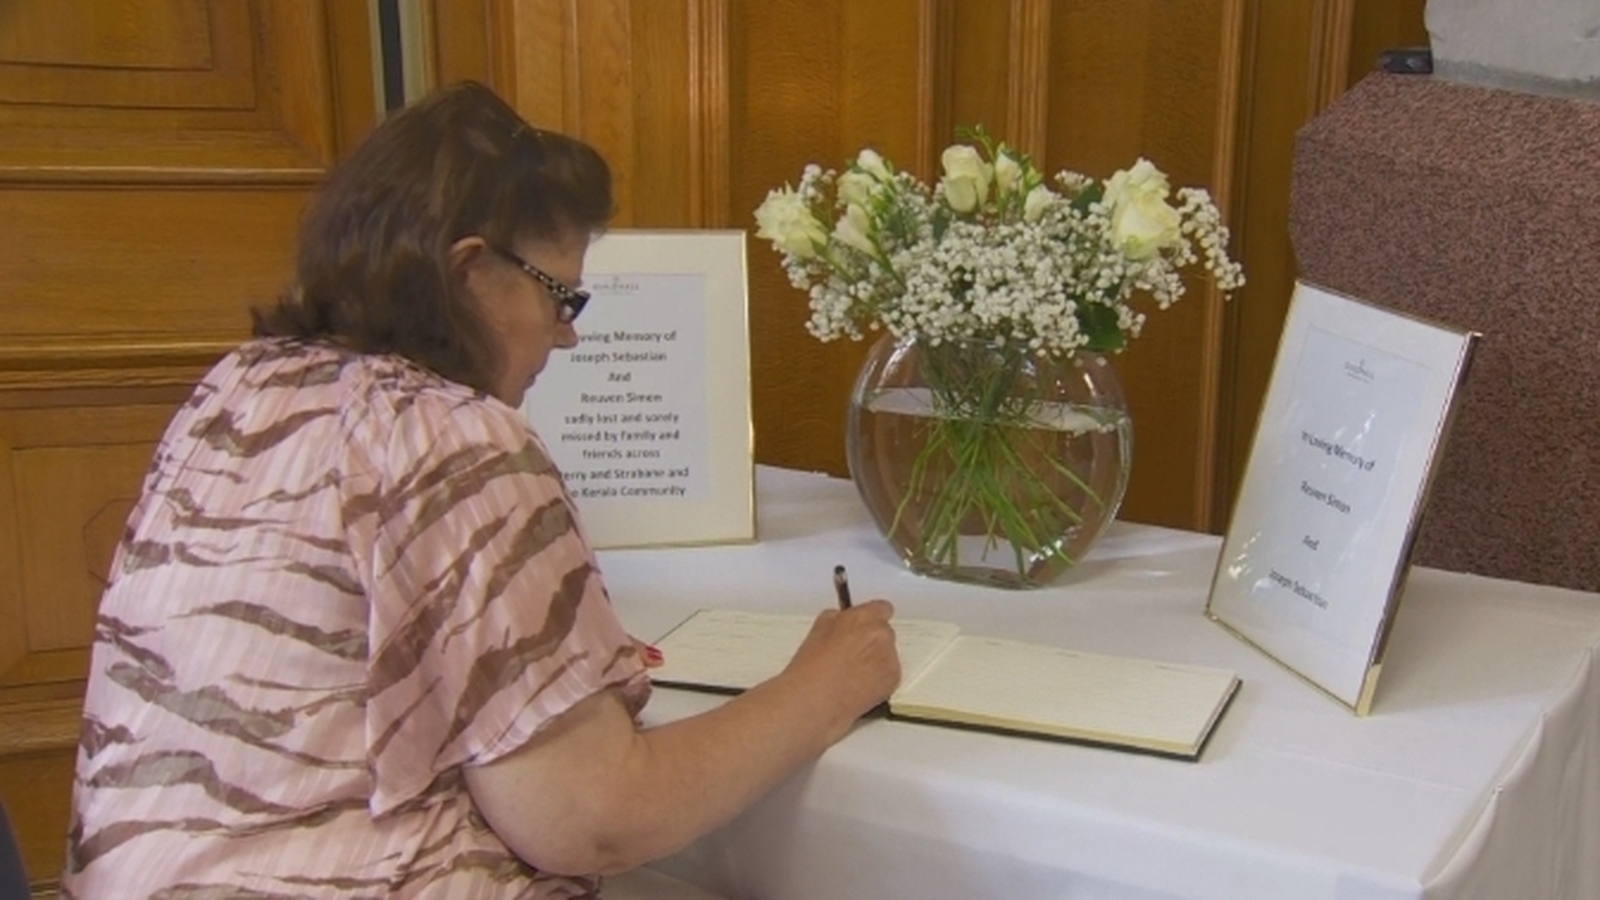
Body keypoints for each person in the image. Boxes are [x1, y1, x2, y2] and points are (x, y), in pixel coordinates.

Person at [61, 81, 901, 899]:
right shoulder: (458, 439)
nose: (568, 336)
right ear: (469, 273)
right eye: (563, 296)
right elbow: (596, 818)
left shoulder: (240, 387)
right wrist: (822, 687)